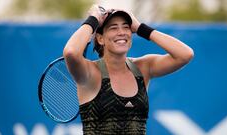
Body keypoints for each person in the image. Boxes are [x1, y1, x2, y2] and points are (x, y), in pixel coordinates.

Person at [63, 5, 194, 135]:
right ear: (100, 38)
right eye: (113, 28)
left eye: (126, 27)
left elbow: (185, 55)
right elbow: (71, 52)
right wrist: (93, 18)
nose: (121, 32)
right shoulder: (90, 72)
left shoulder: (143, 67)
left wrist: (140, 28)